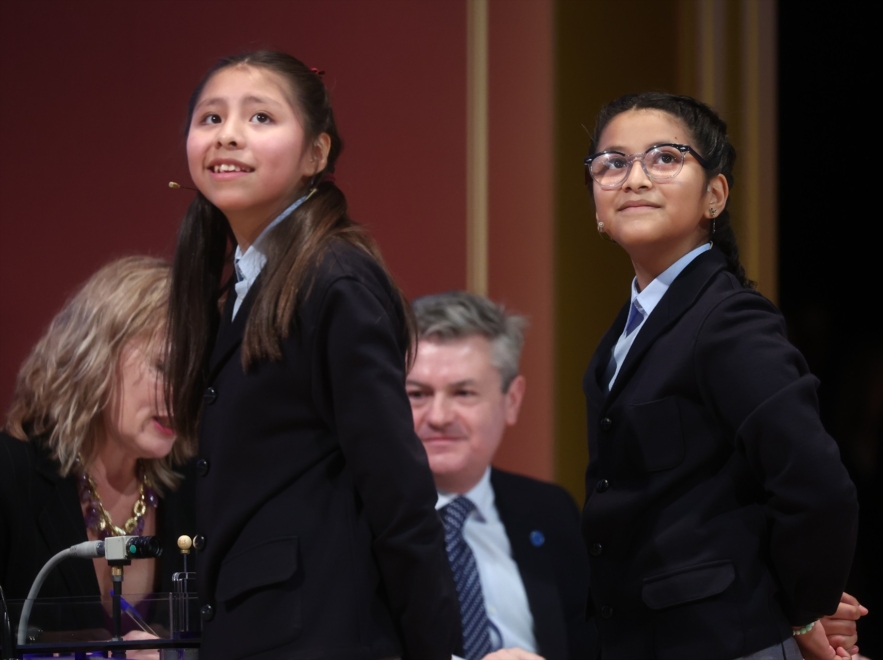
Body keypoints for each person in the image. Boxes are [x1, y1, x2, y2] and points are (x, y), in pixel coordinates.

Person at [164, 50, 458, 659]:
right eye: (211, 118)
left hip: (319, 635)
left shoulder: (333, 281)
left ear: (316, 155)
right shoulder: (240, 280)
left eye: (262, 118)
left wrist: (439, 651)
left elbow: (397, 490)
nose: (230, 135)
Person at [580, 92, 859, 660]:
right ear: (596, 210)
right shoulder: (628, 329)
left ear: (714, 195)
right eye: (612, 163)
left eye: (664, 158)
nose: (634, 178)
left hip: (724, 641)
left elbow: (815, 484)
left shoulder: (729, 318)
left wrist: (803, 609)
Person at [0, 256, 196, 641]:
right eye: (164, 366)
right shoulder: (10, 477)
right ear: (95, 358)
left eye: (193, 374)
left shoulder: (198, 487)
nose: (182, 395)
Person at [406, 291, 598, 660]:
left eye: (463, 393)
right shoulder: (354, 519)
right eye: (417, 394)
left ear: (511, 401)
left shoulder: (551, 510)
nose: (439, 416)